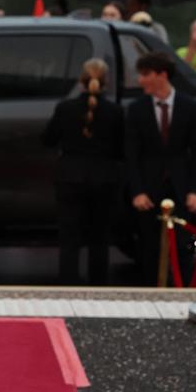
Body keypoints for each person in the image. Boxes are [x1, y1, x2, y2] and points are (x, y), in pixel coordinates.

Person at [41, 58, 124, 285]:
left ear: (81, 81)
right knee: (100, 237)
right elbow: (121, 149)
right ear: (105, 81)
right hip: (104, 178)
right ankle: (99, 285)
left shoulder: (65, 108)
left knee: (69, 238)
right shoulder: (115, 112)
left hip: (70, 176)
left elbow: (48, 139)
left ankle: (68, 283)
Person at [126, 51, 196, 285]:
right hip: (149, 190)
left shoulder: (189, 107)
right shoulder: (137, 109)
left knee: (182, 247)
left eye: (146, 75)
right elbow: (131, 154)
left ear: (162, 75)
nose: (140, 80)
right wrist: (137, 191)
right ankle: (152, 298)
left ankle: (183, 298)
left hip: (180, 188)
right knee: (149, 249)